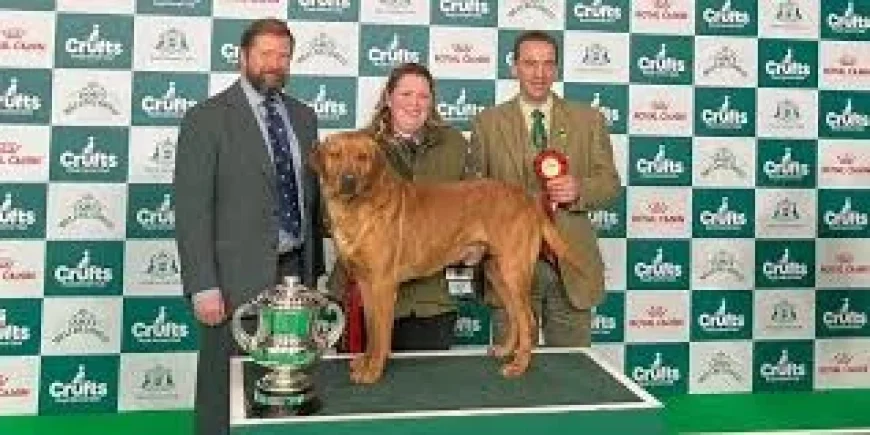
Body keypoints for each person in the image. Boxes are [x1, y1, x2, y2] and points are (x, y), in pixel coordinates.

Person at [173, 19, 325, 435]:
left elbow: (311, 200)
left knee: (290, 386)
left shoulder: (304, 117)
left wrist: (317, 272)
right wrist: (203, 284)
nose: (274, 63)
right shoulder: (205, 119)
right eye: (265, 53)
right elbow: (191, 209)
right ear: (243, 57)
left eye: (283, 55)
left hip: (295, 275)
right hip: (231, 279)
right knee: (224, 388)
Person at [468, 30, 620, 348]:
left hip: (571, 268)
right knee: (513, 372)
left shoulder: (589, 119)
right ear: (514, 67)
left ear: (557, 69)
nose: (539, 73)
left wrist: (579, 189)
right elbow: (474, 193)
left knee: (573, 372)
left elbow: (610, 184)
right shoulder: (487, 123)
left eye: (548, 64)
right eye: (530, 63)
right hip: (508, 264)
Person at [328, 62, 471, 352]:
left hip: (429, 302)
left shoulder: (454, 144)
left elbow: (469, 205)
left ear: (432, 102)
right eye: (406, 94)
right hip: (362, 297)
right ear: (388, 97)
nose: (414, 103)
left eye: (423, 96)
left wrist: (470, 243)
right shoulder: (355, 146)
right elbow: (328, 214)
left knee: (422, 392)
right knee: (362, 386)